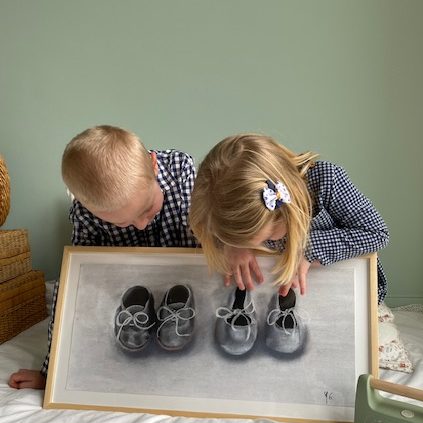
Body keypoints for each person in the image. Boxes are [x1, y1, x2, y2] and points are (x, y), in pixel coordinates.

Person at [8, 125, 196, 390]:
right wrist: (53, 372)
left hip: (185, 288)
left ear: (154, 166)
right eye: (122, 223)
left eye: (148, 209)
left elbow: (216, 225)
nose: (140, 225)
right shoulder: (85, 216)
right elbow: (75, 288)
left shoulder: (182, 169)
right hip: (133, 296)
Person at [189, 133, 389, 300]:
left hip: (346, 290)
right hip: (275, 293)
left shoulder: (326, 180)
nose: (260, 244)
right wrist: (234, 245)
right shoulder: (219, 204)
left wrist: (308, 249)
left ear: (283, 211)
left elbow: (377, 233)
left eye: (264, 238)